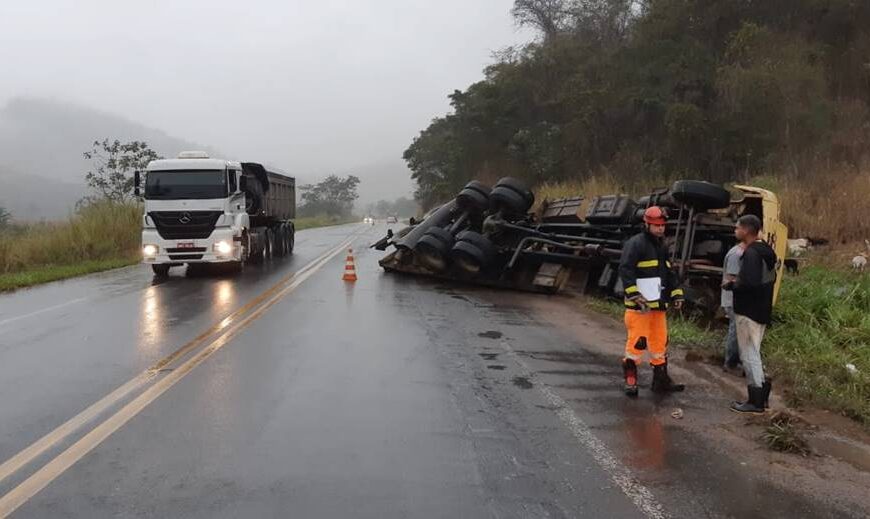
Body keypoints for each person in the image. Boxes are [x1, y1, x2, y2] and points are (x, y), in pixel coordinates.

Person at [619, 206, 685, 397]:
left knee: (660, 343)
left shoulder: (661, 246)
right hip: (639, 307)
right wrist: (634, 295)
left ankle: (661, 381)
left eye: (662, 225)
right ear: (646, 224)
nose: (660, 229)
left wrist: (677, 294)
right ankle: (631, 379)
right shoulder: (636, 244)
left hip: (658, 306)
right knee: (637, 344)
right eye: (656, 225)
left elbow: (669, 273)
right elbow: (626, 269)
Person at [724, 215, 777, 414]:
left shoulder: (752, 253)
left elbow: (750, 283)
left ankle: (755, 400)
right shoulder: (767, 251)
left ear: (746, 230)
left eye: (737, 228)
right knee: (754, 351)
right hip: (762, 309)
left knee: (749, 354)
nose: (735, 231)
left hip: (749, 311)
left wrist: (732, 285)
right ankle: (762, 398)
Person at [720, 242, 744, 374]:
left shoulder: (743, 253)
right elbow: (732, 279)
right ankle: (730, 363)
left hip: (737, 299)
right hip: (732, 299)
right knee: (735, 330)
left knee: (738, 329)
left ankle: (737, 361)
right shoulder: (736, 254)